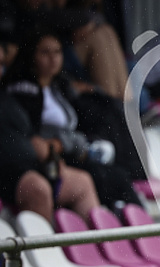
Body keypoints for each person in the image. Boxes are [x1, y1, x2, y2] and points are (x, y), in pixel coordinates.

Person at [2, 29, 142, 212]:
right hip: (52, 158)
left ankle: (134, 225)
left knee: (112, 123)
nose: (53, 58)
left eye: (57, 52)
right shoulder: (22, 93)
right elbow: (34, 139)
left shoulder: (60, 86)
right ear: (31, 56)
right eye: (45, 52)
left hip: (71, 150)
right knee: (108, 176)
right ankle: (128, 225)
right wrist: (59, 146)